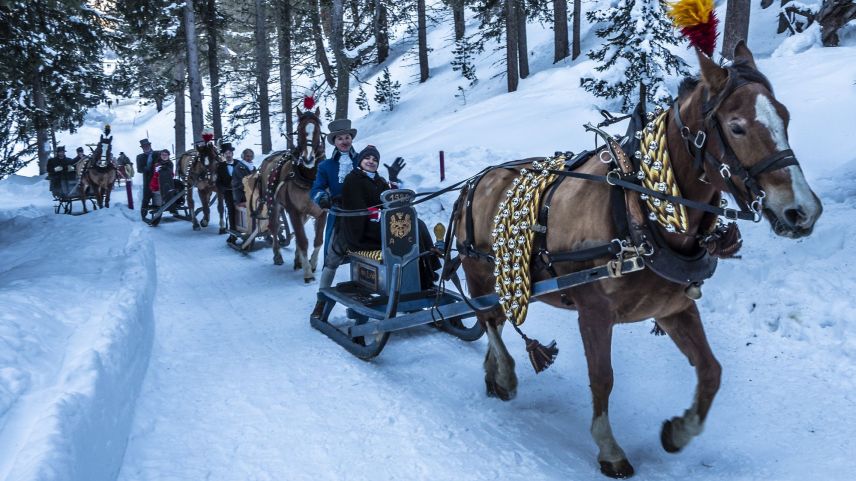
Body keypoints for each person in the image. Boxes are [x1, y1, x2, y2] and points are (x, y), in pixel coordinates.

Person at [148, 149, 175, 226]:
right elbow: (156, 174)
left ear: (168, 156)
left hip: (168, 183)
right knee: (159, 202)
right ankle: (156, 219)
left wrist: (166, 169)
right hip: (158, 184)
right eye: (163, 155)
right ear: (160, 156)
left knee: (170, 195)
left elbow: (172, 174)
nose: (164, 156)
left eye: (166, 155)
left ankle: (172, 208)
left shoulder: (170, 163)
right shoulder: (157, 164)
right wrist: (159, 170)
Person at [215, 142, 237, 237]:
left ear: (232, 154)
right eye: (226, 154)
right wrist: (224, 188)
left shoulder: (239, 163)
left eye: (229, 153)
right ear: (223, 155)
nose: (228, 155)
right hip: (228, 192)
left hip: (240, 192)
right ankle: (233, 233)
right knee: (231, 211)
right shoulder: (220, 167)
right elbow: (218, 182)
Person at [136, 138, 157, 217]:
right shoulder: (140, 157)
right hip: (148, 180)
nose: (146, 147)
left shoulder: (157, 154)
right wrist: (148, 168)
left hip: (159, 179)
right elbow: (139, 169)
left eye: (147, 145)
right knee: (146, 196)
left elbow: (164, 158)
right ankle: (143, 212)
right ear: (142, 148)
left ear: (150, 145)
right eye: (144, 146)